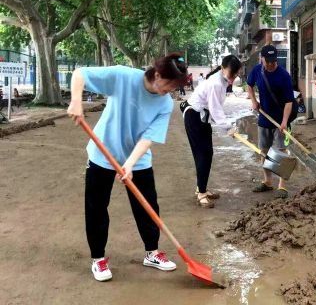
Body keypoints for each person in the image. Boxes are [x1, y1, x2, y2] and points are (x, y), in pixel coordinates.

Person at [67, 53, 188, 282]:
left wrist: (129, 164)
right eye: (170, 84)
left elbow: (149, 137)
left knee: (147, 206)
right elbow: (80, 73)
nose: (170, 91)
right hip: (103, 152)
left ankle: (151, 253)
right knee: (96, 207)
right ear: (158, 74)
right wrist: (76, 101)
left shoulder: (164, 103)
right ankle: (98, 258)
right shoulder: (122, 76)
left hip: (138, 158)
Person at [181, 55, 242, 208]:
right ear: (222, 68)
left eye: (235, 74)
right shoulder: (216, 83)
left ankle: (201, 188)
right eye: (231, 74)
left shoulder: (221, 80)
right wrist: (229, 128)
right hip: (194, 116)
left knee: (207, 153)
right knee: (202, 154)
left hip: (202, 117)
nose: (233, 77)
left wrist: (228, 126)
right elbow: (216, 111)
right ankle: (201, 193)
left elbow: (215, 110)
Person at [247, 45, 295, 199]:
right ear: (262, 58)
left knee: (280, 152)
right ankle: (267, 182)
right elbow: (249, 84)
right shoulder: (257, 70)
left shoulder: (284, 76)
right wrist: (254, 101)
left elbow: (289, 102)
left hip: (280, 120)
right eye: (267, 61)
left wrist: (284, 122)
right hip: (264, 118)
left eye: (273, 61)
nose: (270, 64)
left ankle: (282, 186)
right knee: (264, 151)